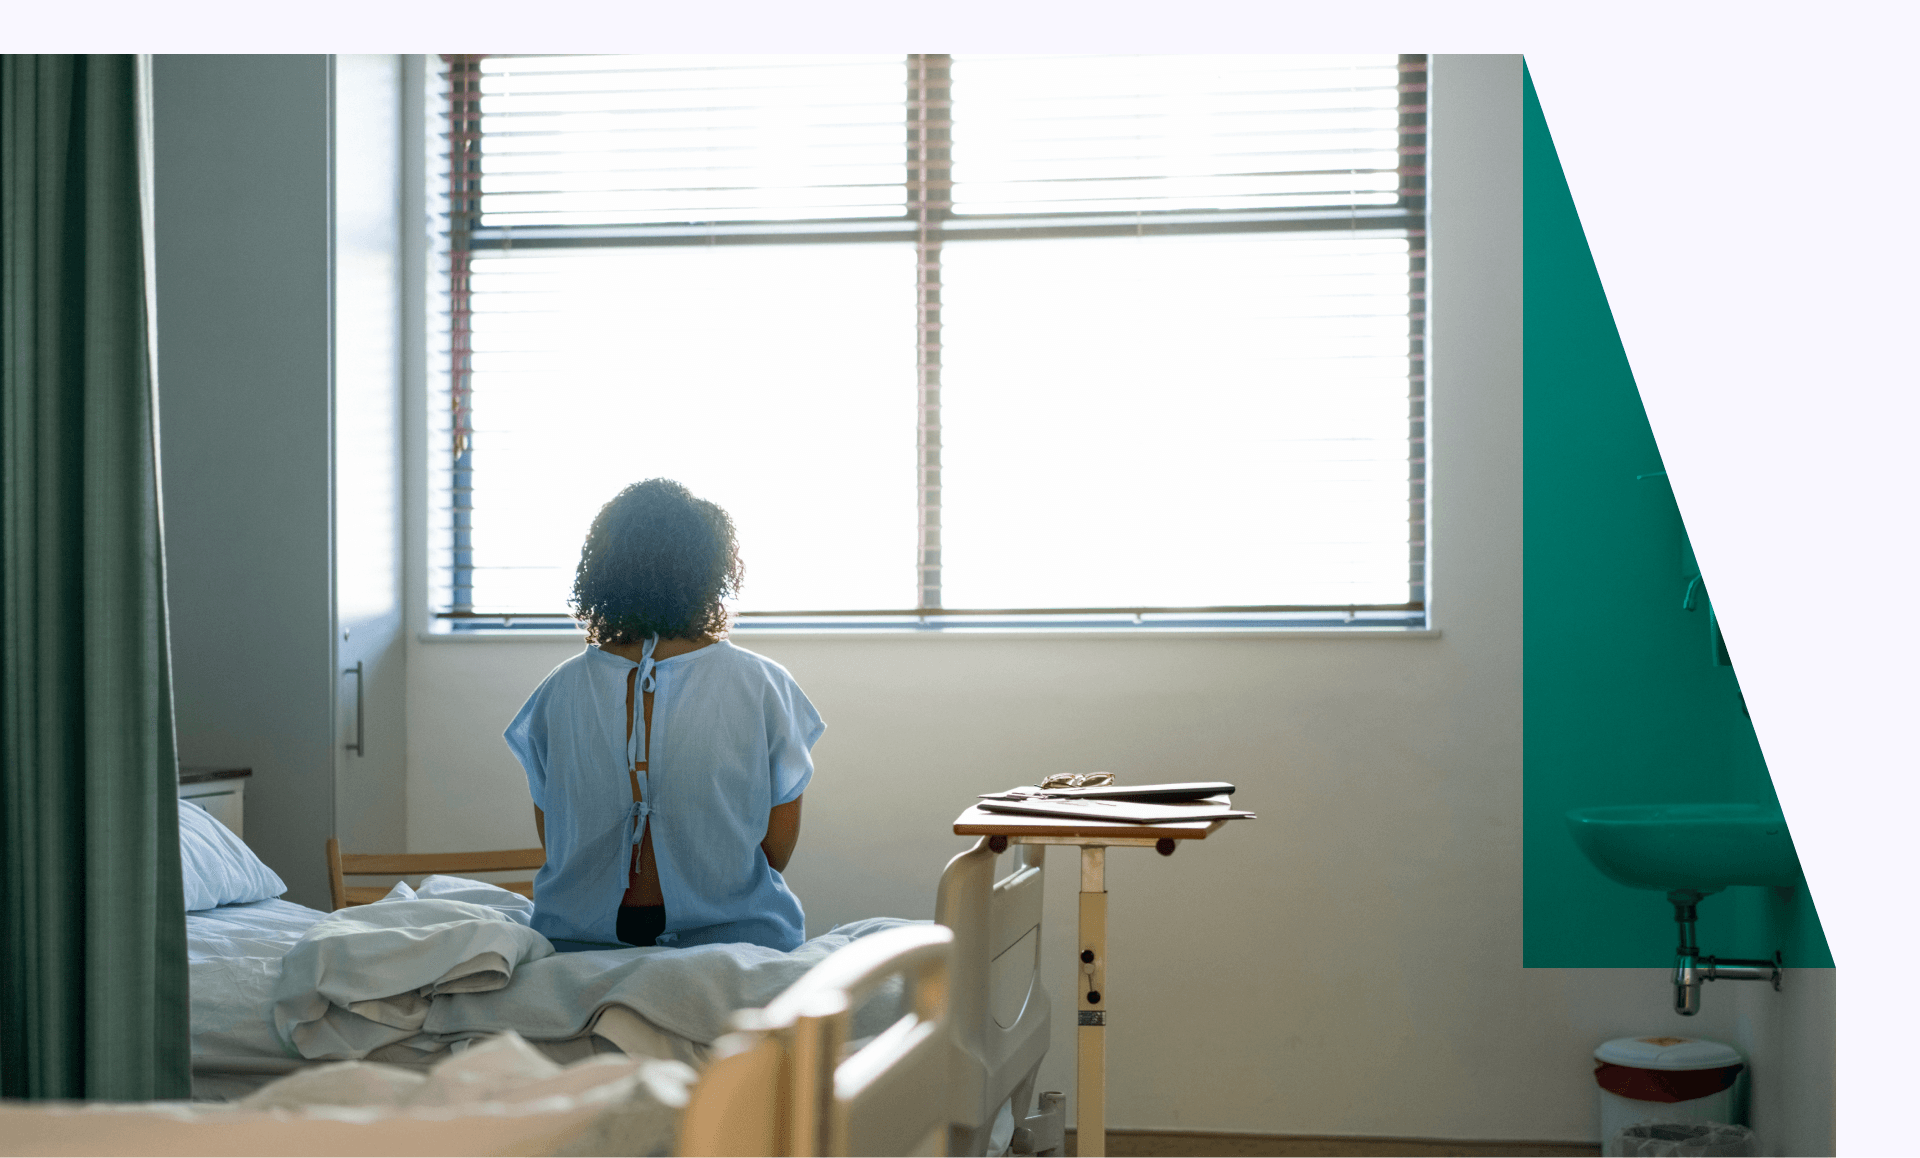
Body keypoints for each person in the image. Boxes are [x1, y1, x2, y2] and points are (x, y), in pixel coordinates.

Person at [503, 479, 823, 952]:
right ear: (710, 572)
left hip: (577, 948)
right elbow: (775, 852)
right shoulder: (765, 685)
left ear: (602, 574)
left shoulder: (557, 692)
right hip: (737, 945)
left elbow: (557, 844)